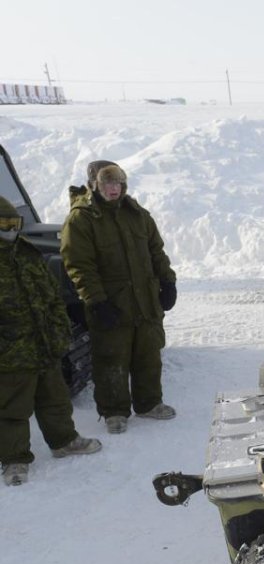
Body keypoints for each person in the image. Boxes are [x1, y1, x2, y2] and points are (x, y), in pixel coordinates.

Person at [61, 161, 177, 435]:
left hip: (144, 299)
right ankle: (114, 412)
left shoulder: (136, 213)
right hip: (111, 301)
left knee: (148, 353)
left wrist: (168, 281)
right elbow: (79, 265)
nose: (113, 190)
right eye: (106, 184)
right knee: (111, 356)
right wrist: (96, 301)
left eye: (118, 184)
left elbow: (155, 251)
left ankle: (149, 403)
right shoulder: (82, 219)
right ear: (94, 186)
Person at [0, 195, 102, 485]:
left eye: (14, 223)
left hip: (43, 344)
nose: (10, 229)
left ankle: (64, 441)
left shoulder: (27, 253)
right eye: (4, 224)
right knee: (12, 409)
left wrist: (59, 330)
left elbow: (52, 297)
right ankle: (15, 460)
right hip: (10, 353)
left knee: (54, 398)